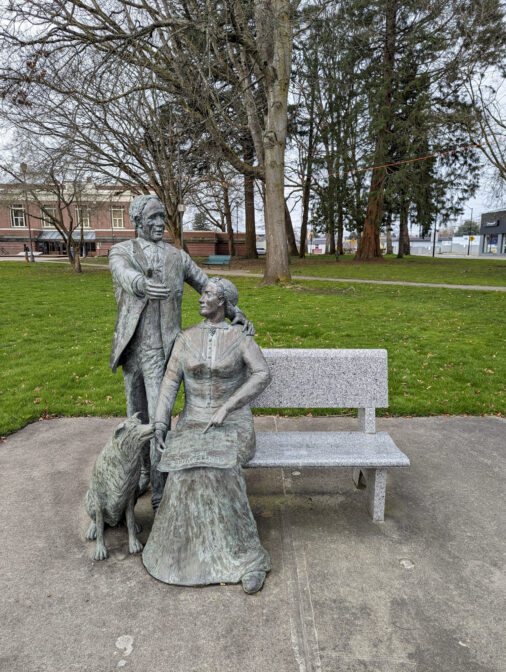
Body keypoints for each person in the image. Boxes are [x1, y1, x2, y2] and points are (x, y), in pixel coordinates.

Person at [109, 195, 251, 511]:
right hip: (135, 350)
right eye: (153, 218)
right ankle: (141, 474)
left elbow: (206, 284)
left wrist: (234, 311)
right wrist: (141, 285)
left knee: (160, 418)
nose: (160, 223)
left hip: (164, 351)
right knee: (136, 417)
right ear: (137, 221)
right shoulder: (122, 252)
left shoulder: (178, 257)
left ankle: (160, 493)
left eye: (163, 217)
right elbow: (123, 274)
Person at [142, 278, 271, 594]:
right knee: (186, 471)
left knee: (220, 467)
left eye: (209, 294)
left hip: (233, 423)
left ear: (223, 303)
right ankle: (181, 556)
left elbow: (262, 373)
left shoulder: (239, 336)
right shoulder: (186, 338)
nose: (202, 297)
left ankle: (248, 560)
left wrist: (229, 406)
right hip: (193, 421)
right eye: (203, 292)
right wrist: (161, 424)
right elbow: (170, 382)